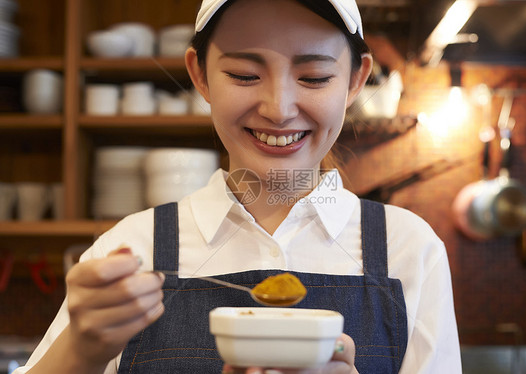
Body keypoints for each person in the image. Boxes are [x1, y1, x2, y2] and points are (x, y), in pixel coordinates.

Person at [15, 0, 462, 373]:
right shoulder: (132, 250)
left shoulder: (409, 249)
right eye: (245, 75)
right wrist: (79, 352)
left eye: (314, 77)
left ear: (355, 81)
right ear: (201, 76)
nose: (279, 109)